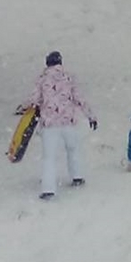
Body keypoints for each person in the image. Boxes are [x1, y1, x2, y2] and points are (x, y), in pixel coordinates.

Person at [21, 51, 98, 200]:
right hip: (68, 122)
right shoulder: (69, 77)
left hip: (50, 125)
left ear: (47, 63)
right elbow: (79, 99)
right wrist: (91, 116)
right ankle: (77, 176)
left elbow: (33, 100)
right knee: (73, 149)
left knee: (49, 158)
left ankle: (48, 189)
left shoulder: (42, 79)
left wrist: (23, 108)